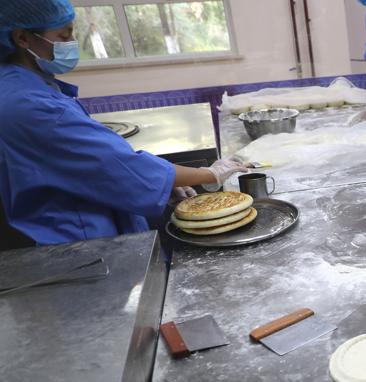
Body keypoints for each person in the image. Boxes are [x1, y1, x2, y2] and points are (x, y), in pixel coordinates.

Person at [0, 0, 248, 246]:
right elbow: (115, 165)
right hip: (78, 244)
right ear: (22, 38)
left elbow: (78, 164)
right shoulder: (34, 106)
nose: (71, 44)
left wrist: (166, 183)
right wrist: (210, 173)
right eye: (63, 36)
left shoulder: (17, 86)